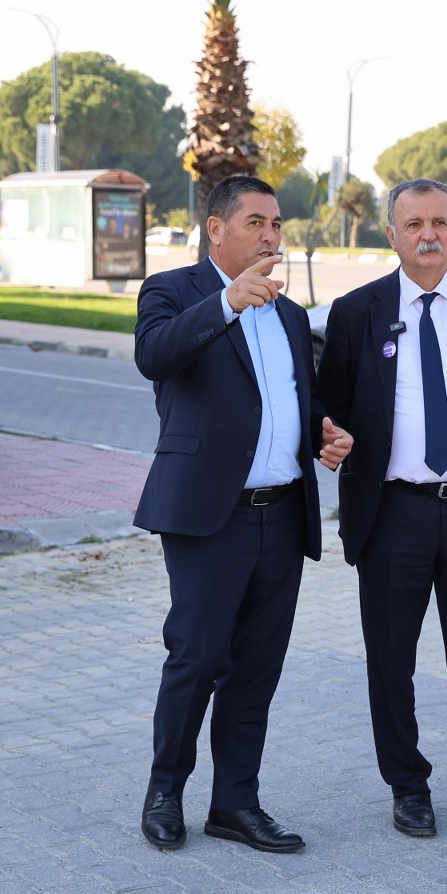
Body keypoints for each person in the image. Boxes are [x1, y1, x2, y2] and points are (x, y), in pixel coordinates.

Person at [134, 174, 352, 854]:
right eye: (256, 222)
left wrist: (323, 431)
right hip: (209, 516)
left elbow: (289, 400)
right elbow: (155, 356)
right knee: (196, 657)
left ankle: (235, 802)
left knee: (257, 666)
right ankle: (165, 791)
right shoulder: (172, 292)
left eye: (277, 223)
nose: (270, 235)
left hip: (281, 515)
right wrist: (227, 303)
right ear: (216, 228)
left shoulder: (289, 316)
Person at [316, 178, 447, 840]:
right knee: (391, 658)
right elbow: (329, 405)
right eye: (414, 224)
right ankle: (408, 786)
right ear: (392, 234)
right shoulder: (357, 312)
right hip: (392, 513)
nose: (428, 234)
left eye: (440, 222)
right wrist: (330, 436)